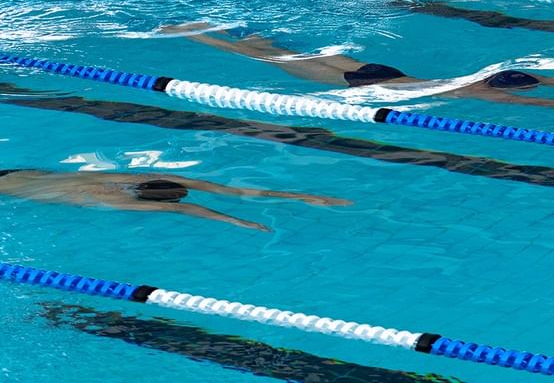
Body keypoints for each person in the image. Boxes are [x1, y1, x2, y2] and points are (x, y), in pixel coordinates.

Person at [163, 24, 554, 117]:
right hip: (378, 84)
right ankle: (196, 34)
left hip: (382, 69)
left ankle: (218, 27)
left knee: (275, 51)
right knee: (266, 59)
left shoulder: (498, 75)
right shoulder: (492, 95)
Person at [0, 169, 350, 232]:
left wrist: (302, 195)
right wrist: (236, 222)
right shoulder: (109, 200)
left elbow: (222, 192)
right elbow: (177, 207)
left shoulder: (133, 178)